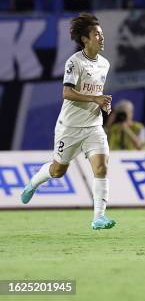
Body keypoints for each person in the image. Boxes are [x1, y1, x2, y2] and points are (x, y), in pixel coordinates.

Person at [20, 13, 116, 230]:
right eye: (97, 34)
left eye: (101, 34)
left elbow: (96, 92)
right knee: (57, 171)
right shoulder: (74, 62)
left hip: (93, 126)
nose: (102, 37)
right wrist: (94, 98)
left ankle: (98, 218)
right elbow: (67, 92)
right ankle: (33, 183)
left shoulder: (104, 64)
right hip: (70, 127)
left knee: (101, 167)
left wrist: (102, 104)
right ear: (85, 39)